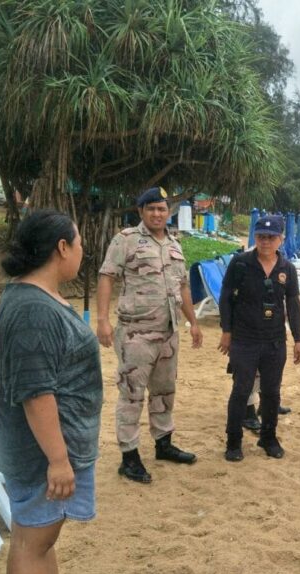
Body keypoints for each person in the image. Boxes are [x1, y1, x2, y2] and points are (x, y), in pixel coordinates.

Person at [0, 210, 104, 574]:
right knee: (32, 544)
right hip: (41, 453)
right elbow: (36, 393)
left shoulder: (34, 296)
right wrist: (58, 460)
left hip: (48, 447)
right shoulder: (33, 311)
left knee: (41, 536)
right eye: (79, 244)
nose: (82, 252)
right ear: (61, 248)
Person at [97, 187, 203, 484]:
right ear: (141, 211)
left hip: (168, 333)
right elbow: (106, 277)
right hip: (136, 334)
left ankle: (163, 443)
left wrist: (192, 322)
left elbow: (182, 287)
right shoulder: (127, 240)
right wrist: (103, 320)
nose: (158, 214)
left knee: (164, 391)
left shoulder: (175, 244)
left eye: (162, 208)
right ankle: (129, 456)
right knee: (131, 394)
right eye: (152, 208)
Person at [219, 214, 300, 461]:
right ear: (255, 237)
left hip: (275, 340)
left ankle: (268, 437)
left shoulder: (287, 268)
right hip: (244, 339)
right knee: (241, 390)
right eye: (260, 236)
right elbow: (225, 297)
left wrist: (298, 338)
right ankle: (233, 441)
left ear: (281, 239)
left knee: (271, 392)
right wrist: (227, 331)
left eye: (271, 237)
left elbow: (293, 303)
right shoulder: (240, 263)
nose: (265, 241)